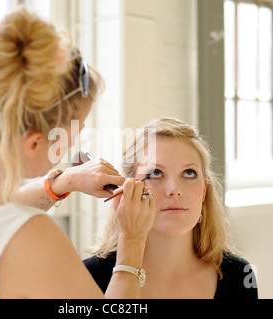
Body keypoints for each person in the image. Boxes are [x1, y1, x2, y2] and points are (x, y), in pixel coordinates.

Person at [0, 7, 155, 299]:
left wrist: (62, 182)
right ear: (34, 142)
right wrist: (132, 242)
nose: (71, 144)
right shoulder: (34, 238)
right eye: (72, 134)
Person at [84, 117, 258, 299]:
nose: (174, 190)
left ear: (204, 190)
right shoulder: (88, 277)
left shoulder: (239, 275)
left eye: (189, 173)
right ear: (126, 188)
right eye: (156, 173)